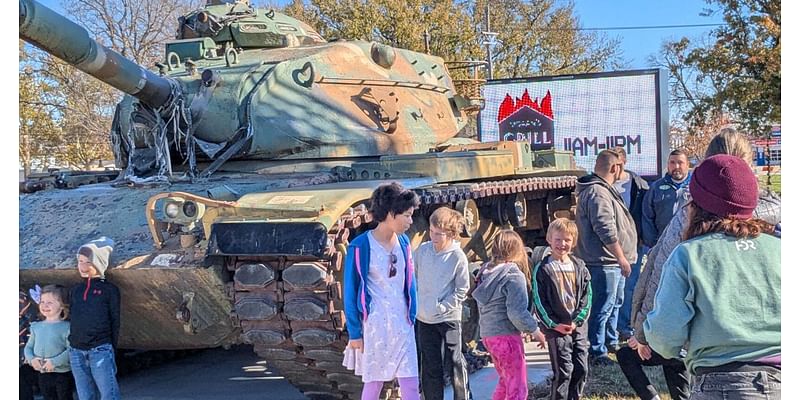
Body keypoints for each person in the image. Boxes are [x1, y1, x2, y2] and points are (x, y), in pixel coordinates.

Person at [631, 129, 781, 367]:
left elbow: (659, 273)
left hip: (715, 363)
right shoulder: (776, 236)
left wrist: (643, 332)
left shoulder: (690, 247)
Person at [342, 182, 421, 400]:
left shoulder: (404, 243)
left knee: (411, 384)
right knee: (374, 383)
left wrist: (412, 314)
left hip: (403, 323)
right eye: (406, 215)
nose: (410, 221)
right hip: (376, 324)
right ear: (389, 213)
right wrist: (355, 333)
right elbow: (350, 292)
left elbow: (410, 282)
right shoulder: (360, 246)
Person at [573, 149, 637, 365]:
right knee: (601, 307)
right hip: (603, 262)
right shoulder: (597, 192)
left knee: (613, 304)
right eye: (621, 166)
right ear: (614, 168)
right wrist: (621, 257)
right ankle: (596, 351)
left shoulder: (603, 190)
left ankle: (609, 342)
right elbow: (605, 228)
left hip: (610, 262)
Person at [471, 229, 546, 400]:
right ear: (517, 250)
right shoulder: (512, 275)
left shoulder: (485, 272)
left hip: (489, 336)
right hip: (507, 336)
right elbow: (516, 312)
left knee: (505, 381)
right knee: (518, 388)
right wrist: (534, 330)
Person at [414, 207, 471, 400]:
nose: (434, 237)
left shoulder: (457, 257)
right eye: (431, 232)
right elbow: (414, 278)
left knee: (454, 362)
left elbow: (462, 289)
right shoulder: (422, 251)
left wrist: (443, 306)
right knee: (430, 365)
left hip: (448, 318)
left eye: (439, 234)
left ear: (452, 234)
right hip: (424, 317)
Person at [530, 218, 591, 400]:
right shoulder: (543, 269)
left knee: (581, 367)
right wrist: (552, 324)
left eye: (567, 240)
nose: (562, 244)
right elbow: (539, 300)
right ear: (549, 239)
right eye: (558, 239)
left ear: (573, 241)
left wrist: (577, 321)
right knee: (564, 370)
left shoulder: (579, 266)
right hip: (555, 328)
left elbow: (587, 297)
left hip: (577, 325)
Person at [70, 237, 121, 400]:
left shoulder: (109, 290)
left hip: (100, 349)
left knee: (109, 394)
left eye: (88, 262)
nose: (83, 267)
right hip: (76, 350)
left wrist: (111, 347)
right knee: (84, 395)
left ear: (98, 263)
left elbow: (115, 320)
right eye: (80, 261)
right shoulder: (76, 290)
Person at [608, 147, 649, 345]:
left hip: (633, 244)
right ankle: (608, 332)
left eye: (617, 162)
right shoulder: (602, 184)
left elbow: (646, 213)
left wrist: (644, 237)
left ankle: (625, 327)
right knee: (610, 291)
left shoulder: (639, 185)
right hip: (607, 245)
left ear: (624, 161)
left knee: (630, 287)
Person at [24, 285, 72, 400]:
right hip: (42, 373)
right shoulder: (36, 326)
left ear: (61, 305)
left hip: (62, 373)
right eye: (42, 302)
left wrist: (54, 362)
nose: (45, 305)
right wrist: (32, 359)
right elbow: (29, 347)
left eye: (50, 302)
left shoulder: (67, 327)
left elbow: (71, 350)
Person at [641, 149, 690, 247]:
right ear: (667, 165)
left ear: (687, 165)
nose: (676, 167)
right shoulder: (656, 188)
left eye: (680, 163)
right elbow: (647, 217)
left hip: (689, 244)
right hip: (663, 245)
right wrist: (653, 244)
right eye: (672, 163)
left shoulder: (696, 186)